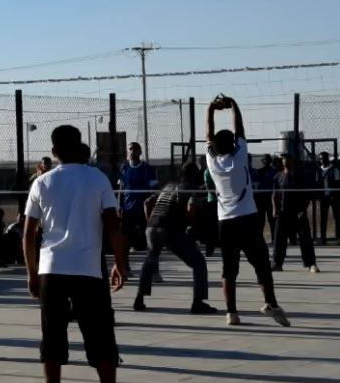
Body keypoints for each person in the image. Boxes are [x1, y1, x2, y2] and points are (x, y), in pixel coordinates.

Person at [23, 125, 140, 383]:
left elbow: (27, 234)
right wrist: (120, 263)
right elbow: (113, 225)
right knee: (101, 338)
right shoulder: (97, 178)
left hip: (51, 269)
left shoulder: (42, 182)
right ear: (80, 147)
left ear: (54, 151)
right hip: (88, 269)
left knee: (52, 338)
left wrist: (32, 273)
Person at [205, 96, 292, 327]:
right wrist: (233, 104)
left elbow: (208, 136)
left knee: (228, 270)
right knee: (262, 265)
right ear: (232, 144)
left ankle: (231, 313)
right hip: (247, 219)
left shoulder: (212, 162)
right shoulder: (240, 155)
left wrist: (211, 109)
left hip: (225, 221)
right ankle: (271, 303)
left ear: (215, 146)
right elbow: (240, 129)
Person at [135, 160, 216, 314]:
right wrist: (196, 229)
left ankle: (139, 298)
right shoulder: (188, 189)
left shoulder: (168, 186)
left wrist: (150, 223)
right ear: (194, 176)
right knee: (198, 263)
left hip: (152, 227)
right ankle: (198, 303)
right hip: (169, 229)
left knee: (150, 260)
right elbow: (191, 209)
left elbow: (147, 203)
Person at [272, 154, 319, 273]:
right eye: (284, 158)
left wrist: (303, 210)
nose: (286, 160)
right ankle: (277, 263)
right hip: (283, 212)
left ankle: (311, 264)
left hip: (298, 212)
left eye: (288, 158)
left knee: (305, 238)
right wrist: (275, 209)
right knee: (279, 238)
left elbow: (306, 195)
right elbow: (275, 194)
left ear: (293, 160)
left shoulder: (300, 176)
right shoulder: (278, 176)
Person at [118, 142, 158, 254]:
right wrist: (119, 206)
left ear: (140, 152)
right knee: (125, 237)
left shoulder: (147, 169)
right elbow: (120, 190)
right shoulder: (124, 168)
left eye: (135, 149)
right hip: (127, 209)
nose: (132, 151)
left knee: (143, 244)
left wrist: (151, 207)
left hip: (142, 209)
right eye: (130, 149)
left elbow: (154, 191)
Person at [316, 151, 340, 244]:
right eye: (320, 159)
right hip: (323, 197)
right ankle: (323, 238)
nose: (322, 160)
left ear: (327, 159)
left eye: (323, 158)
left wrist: (335, 194)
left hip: (333, 197)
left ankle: (338, 238)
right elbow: (318, 183)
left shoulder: (334, 170)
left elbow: (338, 183)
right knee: (323, 218)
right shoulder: (319, 171)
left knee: (337, 217)